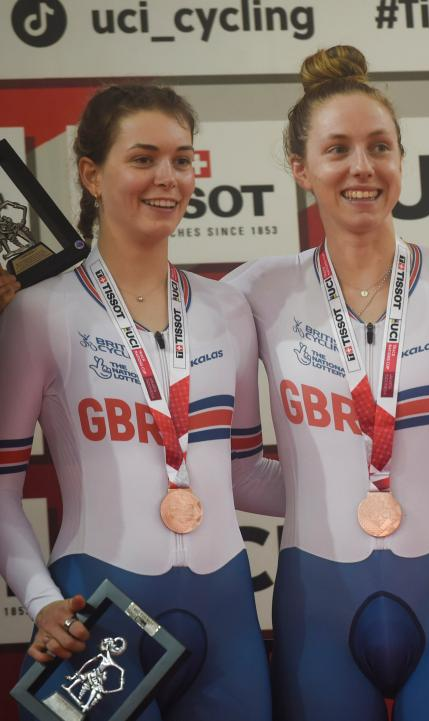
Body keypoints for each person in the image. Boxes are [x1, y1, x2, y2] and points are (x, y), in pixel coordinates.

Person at [223, 45, 429, 721]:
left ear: (401, 160)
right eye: (337, 149)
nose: (362, 167)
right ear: (300, 168)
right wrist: (323, 490)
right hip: (317, 599)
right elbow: (234, 469)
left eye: (380, 147)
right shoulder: (256, 291)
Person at [0, 85, 279, 720]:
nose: (167, 178)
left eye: (182, 160)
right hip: (92, 610)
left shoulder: (228, 309)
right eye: (143, 159)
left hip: (226, 616)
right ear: (92, 176)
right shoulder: (38, 313)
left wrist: (389, 487)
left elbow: (244, 475)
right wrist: (41, 600)